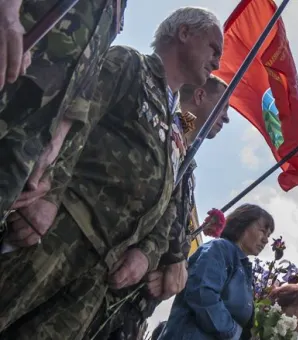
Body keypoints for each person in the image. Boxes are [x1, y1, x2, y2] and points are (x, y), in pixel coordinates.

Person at [0, 7, 223, 339]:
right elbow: (74, 121)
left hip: (100, 273)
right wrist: (50, 193)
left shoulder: (175, 123)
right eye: (213, 49)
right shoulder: (128, 65)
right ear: (185, 33)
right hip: (60, 232)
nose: (217, 62)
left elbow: (166, 197)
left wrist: (146, 255)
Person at [85, 74, 230, 340]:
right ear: (199, 96)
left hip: (131, 304)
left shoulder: (184, 152)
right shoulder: (162, 134)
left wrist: (169, 267)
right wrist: (170, 260)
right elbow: (147, 206)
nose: (227, 119)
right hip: (101, 282)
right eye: (223, 107)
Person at [0, 0, 127, 228]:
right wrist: (6, 14)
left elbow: (88, 66)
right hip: (9, 73)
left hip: (32, 131)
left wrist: (55, 144)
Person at [160, 204, 275, 340]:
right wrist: (232, 332)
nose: (266, 240)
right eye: (262, 230)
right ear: (242, 224)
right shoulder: (219, 249)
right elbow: (202, 293)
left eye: (268, 235)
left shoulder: (244, 268)